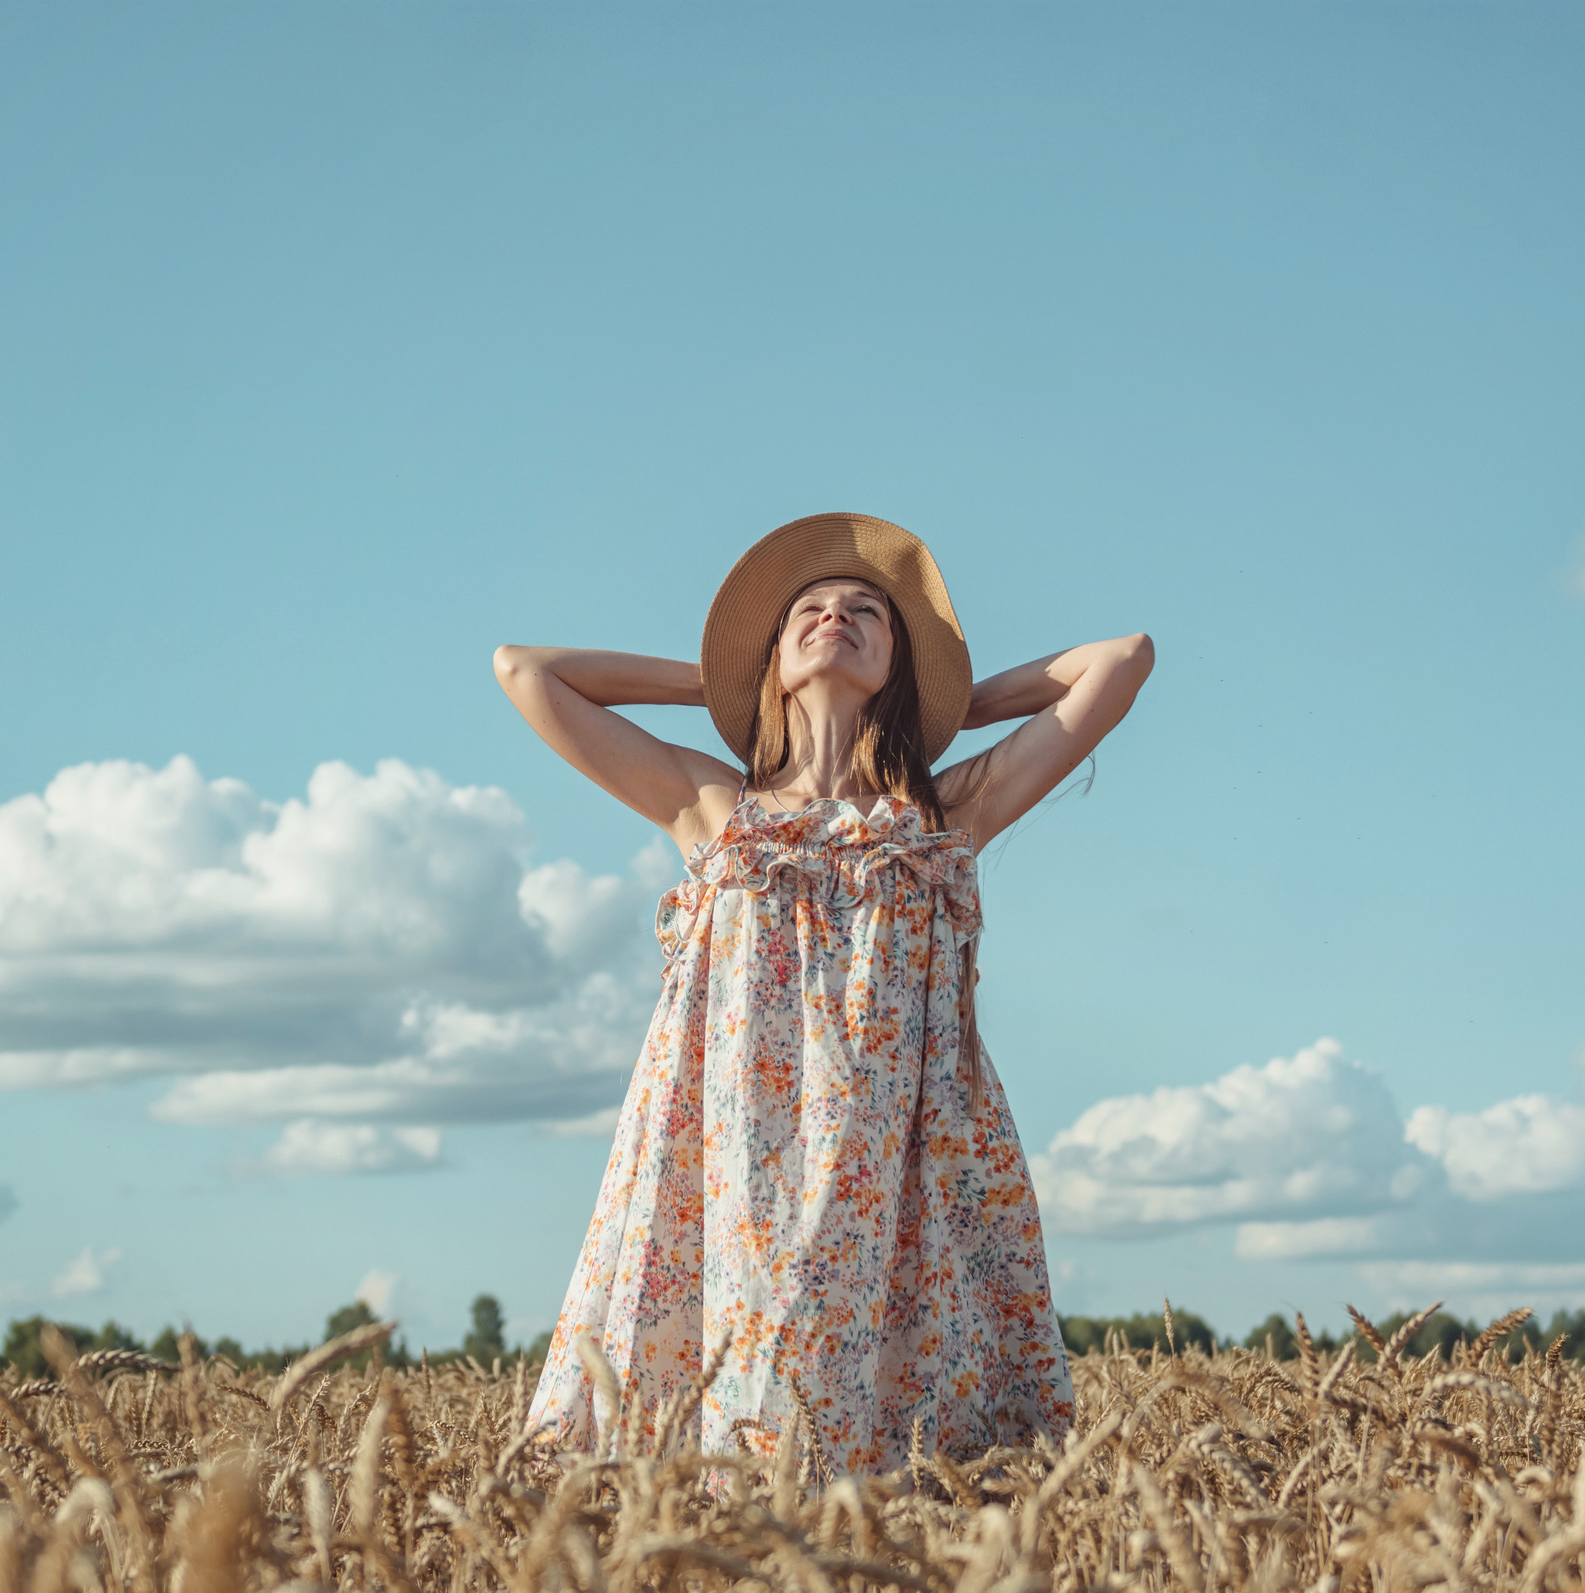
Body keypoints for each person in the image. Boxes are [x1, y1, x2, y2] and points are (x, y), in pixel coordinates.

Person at [493, 513, 1154, 1476]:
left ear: (899, 662)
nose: (833, 616)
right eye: (808, 610)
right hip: (728, 1160)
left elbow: (1124, 660)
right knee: (727, 1418)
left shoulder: (944, 814)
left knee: (916, 1453)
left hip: (902, 1161)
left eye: (866, 614)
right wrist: (729, 679)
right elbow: (526, 671)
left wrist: (956, 700)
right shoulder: (714, 806)